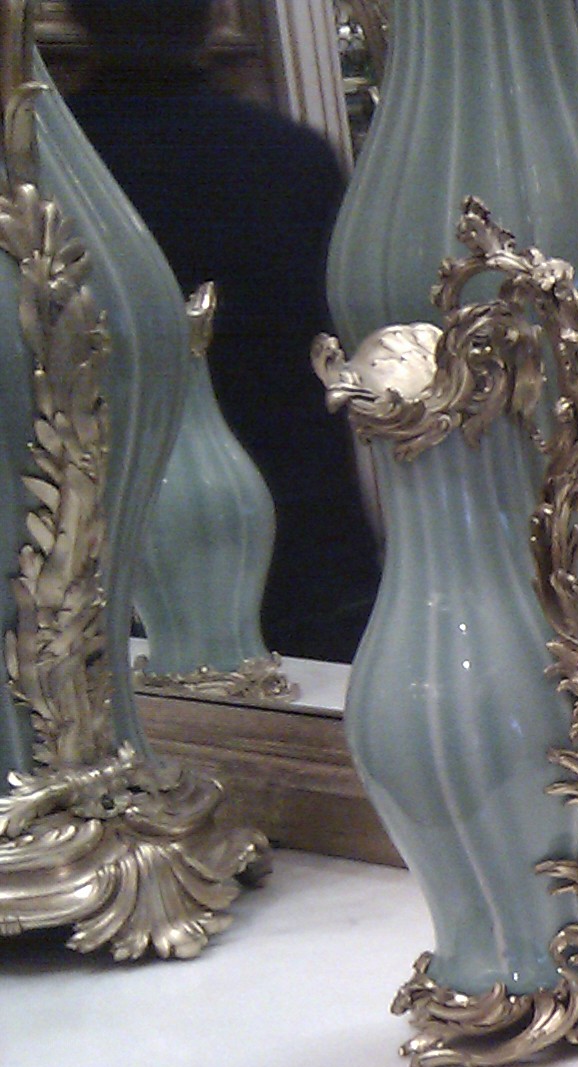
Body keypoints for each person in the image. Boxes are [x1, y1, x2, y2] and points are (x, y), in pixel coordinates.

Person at [65, 0, 381, 662]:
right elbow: (335, 345)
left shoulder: (53, 172)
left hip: (116, 544)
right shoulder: (288, 156)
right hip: (304, 536)